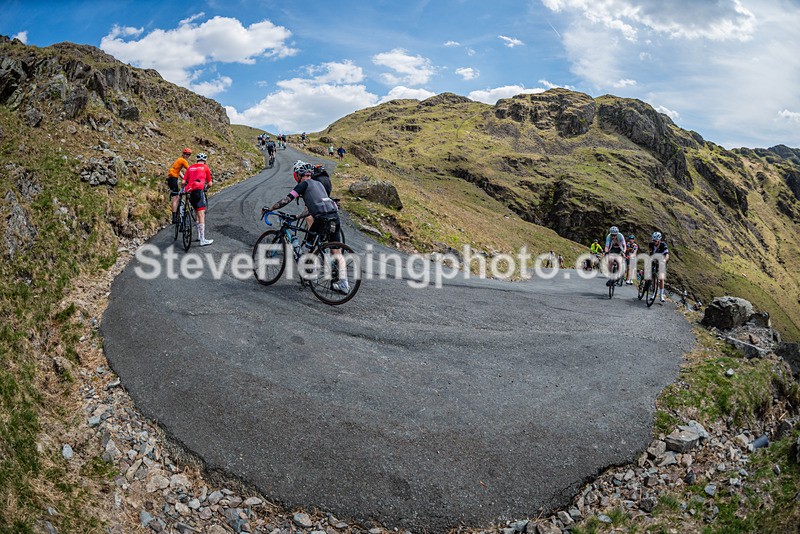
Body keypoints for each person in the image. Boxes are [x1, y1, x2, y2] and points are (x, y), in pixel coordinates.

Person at [264, 170, 349, 293]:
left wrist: (270, 208)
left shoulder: (302, 185)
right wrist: (297, 217)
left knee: (308, 249)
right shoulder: (318, 184)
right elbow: (314, 206)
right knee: (336, 251)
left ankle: (312, 276)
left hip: (321, 219)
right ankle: (344, 284)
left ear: (298, 176)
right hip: (334, 216)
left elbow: (287, 200)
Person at [182, 153, 214, 246]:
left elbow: (183, 181)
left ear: (197, 160)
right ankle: (202, 239)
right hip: (198, 191)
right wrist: (206, 188)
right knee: (201, 215)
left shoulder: (190, 168)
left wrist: (182, 190)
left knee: (196, 212)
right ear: (205, 160)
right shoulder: (205, 167)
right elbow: (210, 183)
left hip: (189, 192)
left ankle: (199, 236)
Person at [168, 148, 192, 224]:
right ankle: (174, 218)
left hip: (172, 179)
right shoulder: (183, 160)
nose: (187, 156)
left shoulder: (179, 160)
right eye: (186, 154)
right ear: (183, 154)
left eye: (189, 154)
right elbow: (189, 170)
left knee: (177, 197)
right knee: (175, 198)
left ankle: (176, 214)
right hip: (173, 179)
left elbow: (179, 172)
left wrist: (184, 178)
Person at [648, 231, 670, 302]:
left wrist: (665, 260)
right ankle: (654, 293)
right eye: (653, 240)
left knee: (661, 278)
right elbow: (650, 252)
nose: (654, 242)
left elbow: (667, 255)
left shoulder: (663, 245)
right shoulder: (651, 244)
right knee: (654, 277)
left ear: (659, 240)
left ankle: (661, 295)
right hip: (654, 259)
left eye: (656, 241)